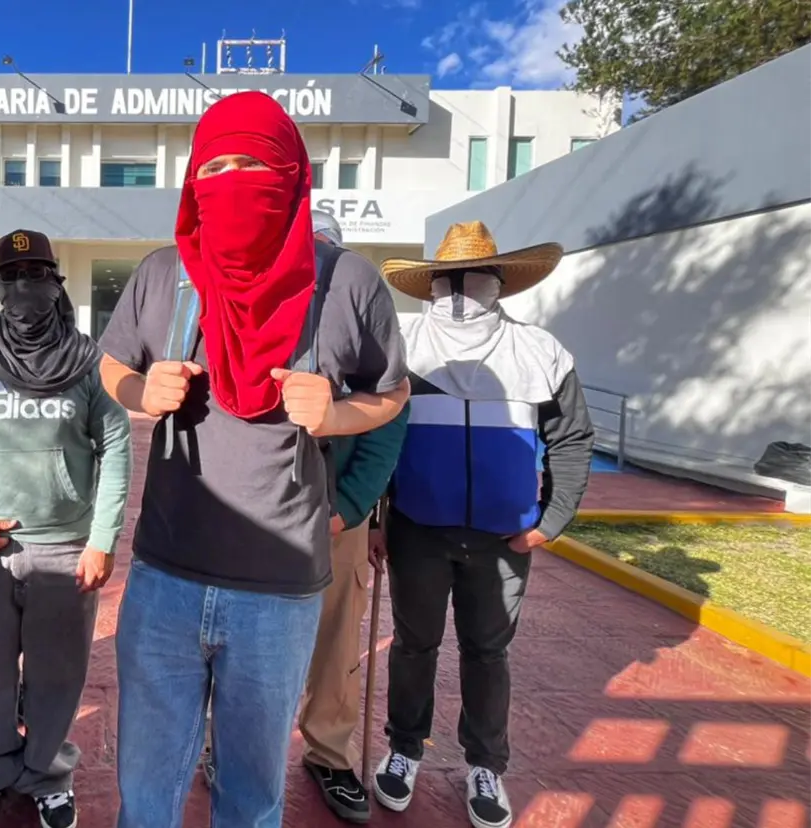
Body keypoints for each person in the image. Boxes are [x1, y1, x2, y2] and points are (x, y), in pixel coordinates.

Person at [98, 91, 411, 827]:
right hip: (163, 577)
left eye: (252, 163)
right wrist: (142, 388)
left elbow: (391, 393)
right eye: (213, 165)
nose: (232, 179)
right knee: (144, 794)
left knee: (250, 794)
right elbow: (110, 367)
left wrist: (334, 412)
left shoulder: (347, 282)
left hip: (279, 590)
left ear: (292, 172)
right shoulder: (162, 273)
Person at [371, 222, 594, 828]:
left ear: (499, 282)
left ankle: (485, 764)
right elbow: (375, 436)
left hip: (505, 535)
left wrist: (552, 520)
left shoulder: (541, 351)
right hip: (417, 526)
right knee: (414, 645)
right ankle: (403, 749)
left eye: (475, 279)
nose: (461, 292)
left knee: (488, 651)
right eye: (448, 281)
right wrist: (374, 516)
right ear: (431, 284)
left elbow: (571, 439)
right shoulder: (403, 342)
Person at [0, 229, 132, 828]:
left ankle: (45, 774)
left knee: (57, 676)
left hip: (65, 549)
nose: (23, 289)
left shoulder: (88, 358)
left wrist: (102, 539)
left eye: (36, 275)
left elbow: (115, 443)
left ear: (56, 282)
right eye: (11, 278)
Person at [295, 215, 412, 825]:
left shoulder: (364, 319)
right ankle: (227, 743)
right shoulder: (266, 312)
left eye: (324, 253)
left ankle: (329, 751)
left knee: (338, 637)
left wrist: (347, 511)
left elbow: (387, 424)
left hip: (336, 517)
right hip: (255, 521)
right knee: (236, 640)